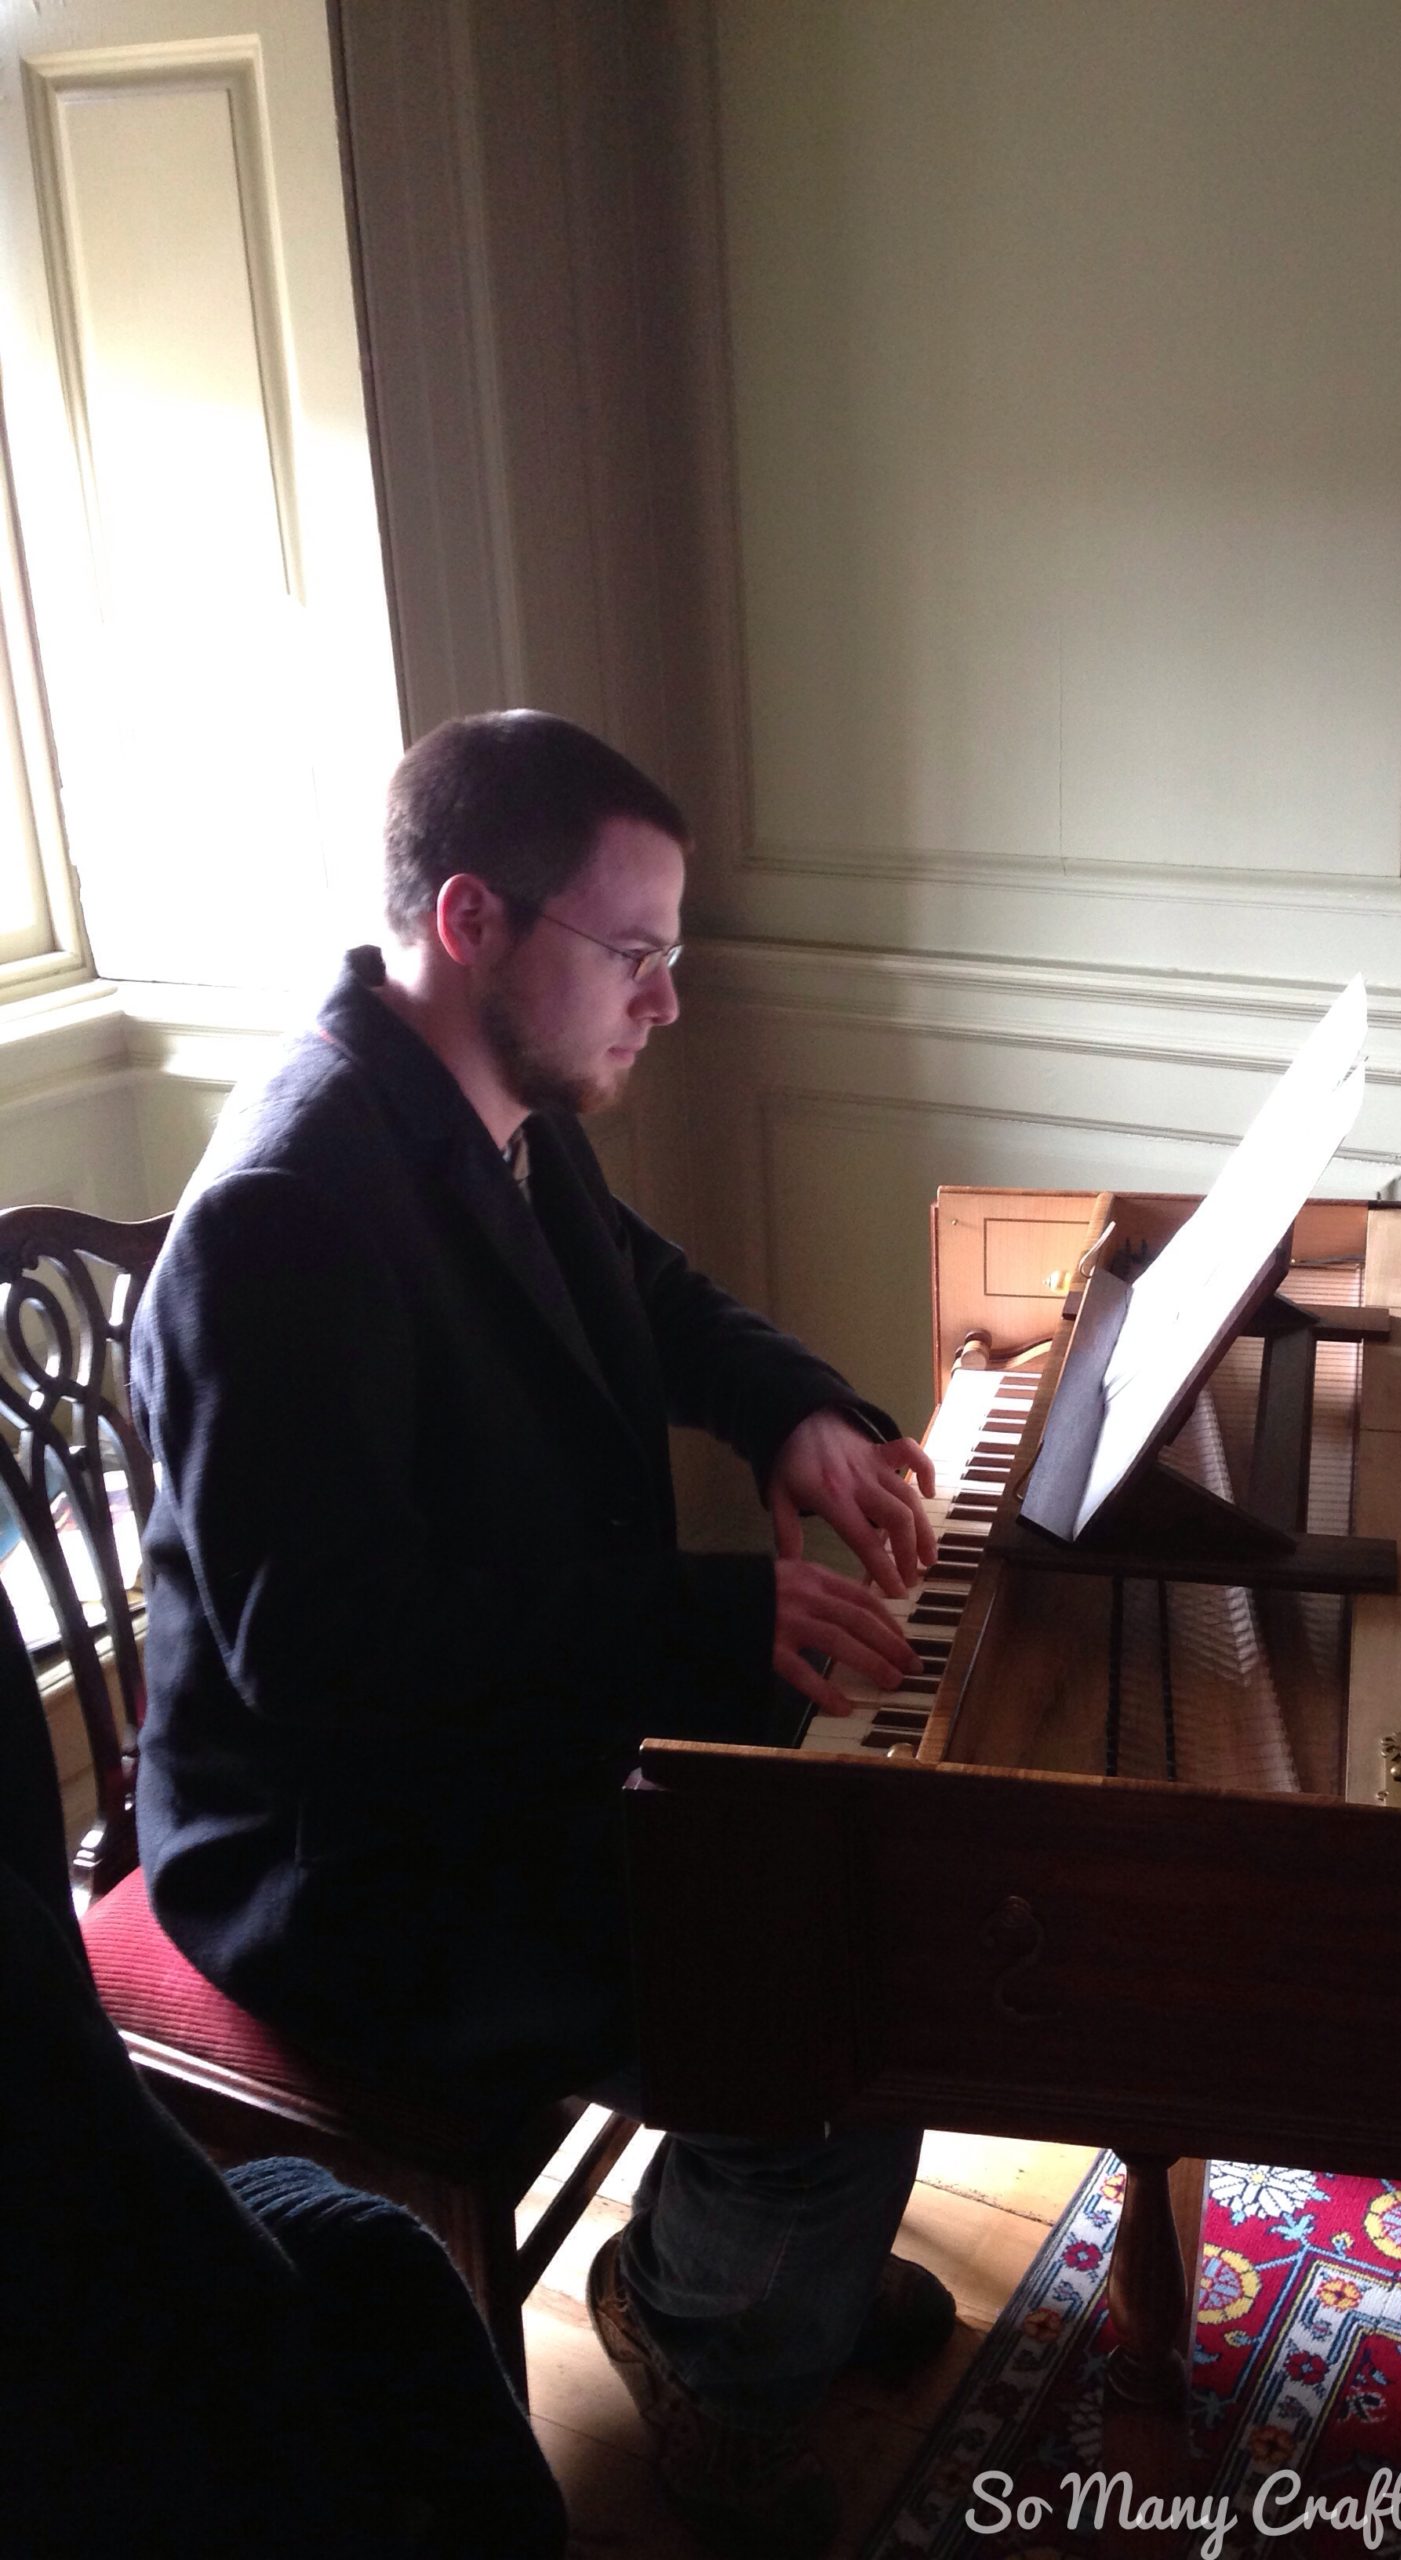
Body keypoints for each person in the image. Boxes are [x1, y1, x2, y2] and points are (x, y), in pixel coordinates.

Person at [132, 710, 954, 2560]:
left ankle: (748, 2268)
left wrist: (789, 1409)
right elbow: (324, 1657)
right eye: (633, 951)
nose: (666, 1001)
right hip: (339, 1853)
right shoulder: (287, 1214)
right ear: (471, 920)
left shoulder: (491, 1105)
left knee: (868, 1896)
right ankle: (707, 2327)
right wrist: (711, 1616)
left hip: (494, 1744)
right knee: (814, 1994)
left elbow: (644, 1293)